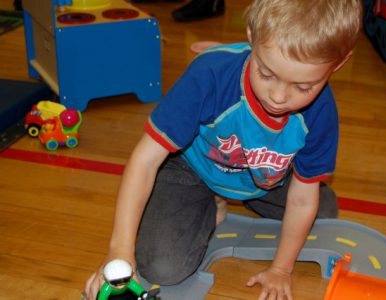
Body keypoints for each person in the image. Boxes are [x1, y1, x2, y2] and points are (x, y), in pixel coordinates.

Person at [84, 0, 363, 299]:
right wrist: (120, 250)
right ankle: (211, 199)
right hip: (192, 170)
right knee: (162, 268)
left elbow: (302, 198)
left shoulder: (322, 112)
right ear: (251, 38)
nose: (280, 97)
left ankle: (223, 197)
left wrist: (281, 269)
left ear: (339, 63)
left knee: (323, 213)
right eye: (267, 73)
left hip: (264, 177)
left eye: (303, 87)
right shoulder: (208, 76)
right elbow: (145, 160)